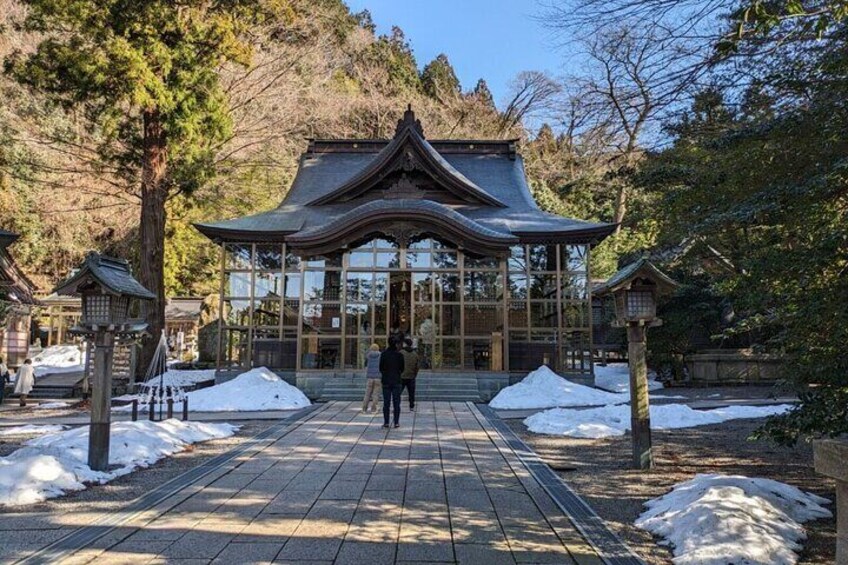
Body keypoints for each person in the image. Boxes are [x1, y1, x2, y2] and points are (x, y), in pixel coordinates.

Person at [379, 336, 405, 428]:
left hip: (386, 380)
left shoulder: (384, 354)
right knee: (396, 402)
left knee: (386, 402)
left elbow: (381, 368)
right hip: (396, 380)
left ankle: (386, 422)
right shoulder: (399, 355)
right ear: (396, 344)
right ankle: (396, 422)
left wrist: (386, 373)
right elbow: (402, 368)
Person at [400, 338, 419, 411]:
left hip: (402, 376)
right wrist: (415, 374)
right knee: (411, 393)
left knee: (398, 393)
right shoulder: (415, 354)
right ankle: (411, 406)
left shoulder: (401, 352)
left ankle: (396, 405)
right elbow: (417, 366)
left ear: (405, 344)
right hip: (411, 376)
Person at [361, 343, 382, 413]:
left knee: (367, 394)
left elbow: (366, 365)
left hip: (370, 377)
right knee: (376, 394)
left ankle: (364, 408)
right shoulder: (380, 355)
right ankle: (374, 409)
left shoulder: (368, 355)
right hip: (378, 377)